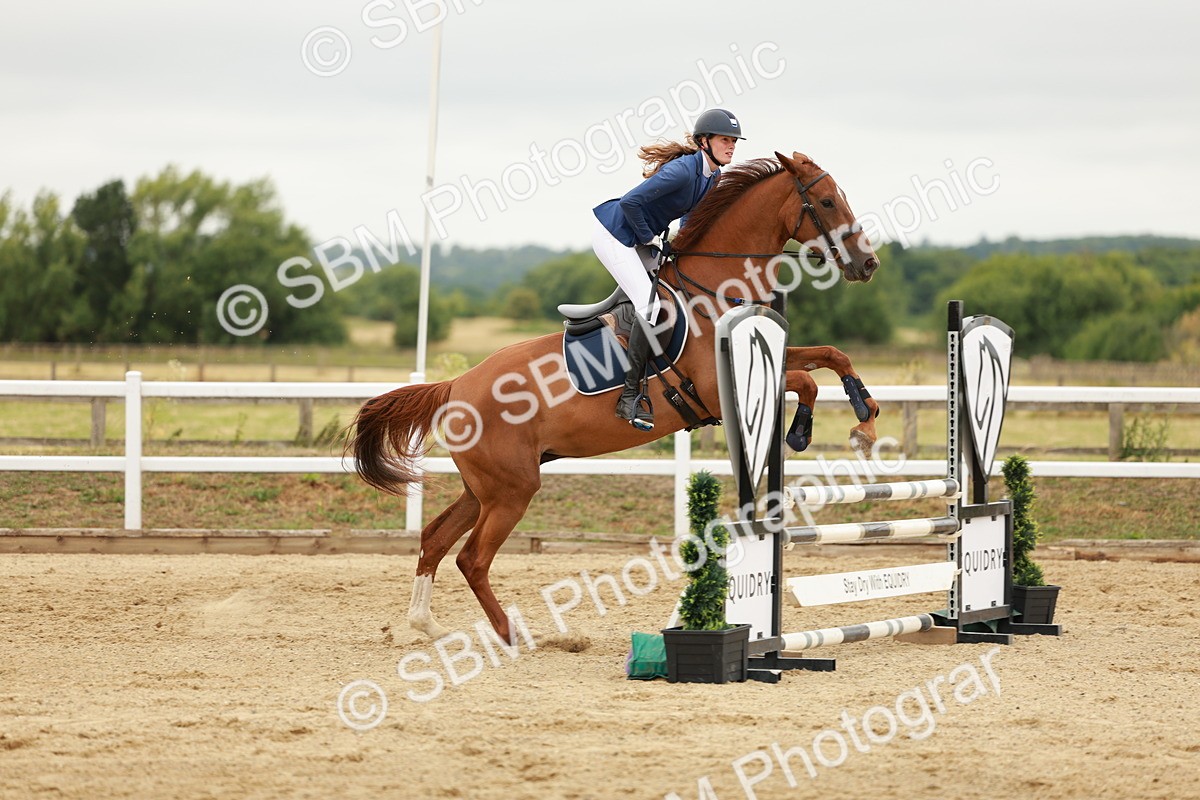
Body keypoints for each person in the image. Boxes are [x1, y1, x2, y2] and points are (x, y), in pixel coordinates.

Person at [592, 108, 744, 431]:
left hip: (638, 240)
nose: (731, 147)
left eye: (733, 141)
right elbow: (631, 203)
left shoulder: (711, 176)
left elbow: (691, 219)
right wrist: (651, 239)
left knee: (670, 290)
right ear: (704, 142)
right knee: (649, 306)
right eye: (725, 140)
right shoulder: (683, 172)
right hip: (616, 237)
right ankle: (629, 397)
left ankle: (619, 321)